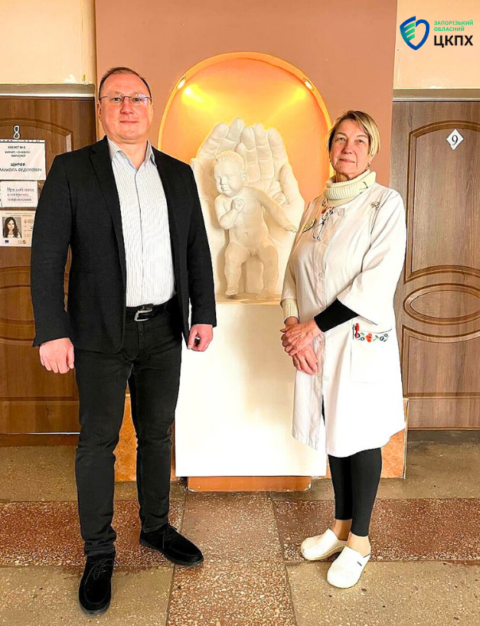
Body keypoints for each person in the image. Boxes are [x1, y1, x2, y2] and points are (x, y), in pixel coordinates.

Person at [30, 66, 216, 616]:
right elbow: (46, 257)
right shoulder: (72, 170)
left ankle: (155, 527)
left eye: (137, 97)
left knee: (157, 433)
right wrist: (52, 329)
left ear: (151, 108)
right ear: (101, 110)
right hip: (97, 332)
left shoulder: (178, 175)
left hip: (163, 328)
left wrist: (203, 313)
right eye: (115, 98)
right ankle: (99, 551)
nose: (127, 107)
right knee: (98, 442)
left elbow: (196, 249)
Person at [280, 111, 406, 589]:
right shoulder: (315, 206)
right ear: (330, 147)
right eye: (340, 140)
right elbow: (292, 273)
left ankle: (361, 541)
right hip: (317, 344)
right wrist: (292, 325)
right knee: (335, 430)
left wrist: (310, 328)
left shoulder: (384, 204)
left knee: (361, 434)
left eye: (359, 141)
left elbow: (375, 281)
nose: (348, 148)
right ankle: (339, 528)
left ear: (371, 152)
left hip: (357, 343)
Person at [213, 150, 297, 299]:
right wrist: (234, 211)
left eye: (228, 177)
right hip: (239, 243)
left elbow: (273, 207)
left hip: (261, 239)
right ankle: (232, 286)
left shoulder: (255, 193)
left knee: (271, 256)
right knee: (231, 257)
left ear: (243, 176)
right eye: (218, 179)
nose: (223, 183)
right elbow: (224, 223)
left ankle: (269, 288)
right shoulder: (220, 201)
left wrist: (285, 223)